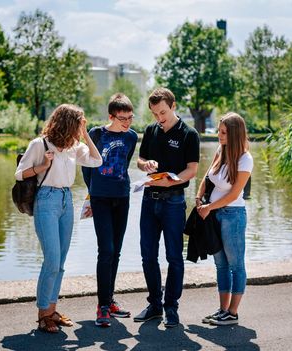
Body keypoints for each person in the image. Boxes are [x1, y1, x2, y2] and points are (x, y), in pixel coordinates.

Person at [15, 104, 102, 333]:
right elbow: (19, 173)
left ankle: (52, 311)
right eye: (78, 124)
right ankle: (43, 314)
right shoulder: (39, 144)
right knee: (52, 260)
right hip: (46, 200)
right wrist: (42, 166)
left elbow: (96, 160)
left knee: (60, 263)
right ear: (67, 123)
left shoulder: (74, 147)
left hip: (66, 200)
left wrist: (85, 135)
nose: (80, 129)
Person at [133, 87, 200, 328]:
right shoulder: (151, 130)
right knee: (148, 255)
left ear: (173, 106)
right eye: (154, 114)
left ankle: (171, 307)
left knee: (174, 257)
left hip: (173, 201)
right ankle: (154, 305)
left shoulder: (189, 134)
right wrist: (145, 165)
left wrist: (171, 180)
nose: (159, 118)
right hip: (149, 200)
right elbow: (140, 161)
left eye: (162, 112)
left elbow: (192, 170)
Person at [82, 93, 138, 327]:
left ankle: (110, 300)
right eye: (122, 118)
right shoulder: (96, 133)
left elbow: (124, 165)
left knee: (115, 251)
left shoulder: (132, 137)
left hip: (122, 198)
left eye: (130, 118)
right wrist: (92, 195)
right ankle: (102, 306)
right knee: (105, 250)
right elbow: (87, 169)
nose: (127, 123)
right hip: (101, 199)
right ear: (111, 116)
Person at [195, 112, 253, 326]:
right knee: (220, 265)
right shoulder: (221, 151)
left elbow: (234, 193)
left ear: (235, 134)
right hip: (214, 215)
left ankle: (233, 312)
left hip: (232, 216)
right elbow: (207, 177)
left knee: (236, 265)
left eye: (223, 132)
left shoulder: (245, 158)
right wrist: (199, 197)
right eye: (219, 131)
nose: (219, 136)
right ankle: (222, 310)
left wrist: (209, 207)